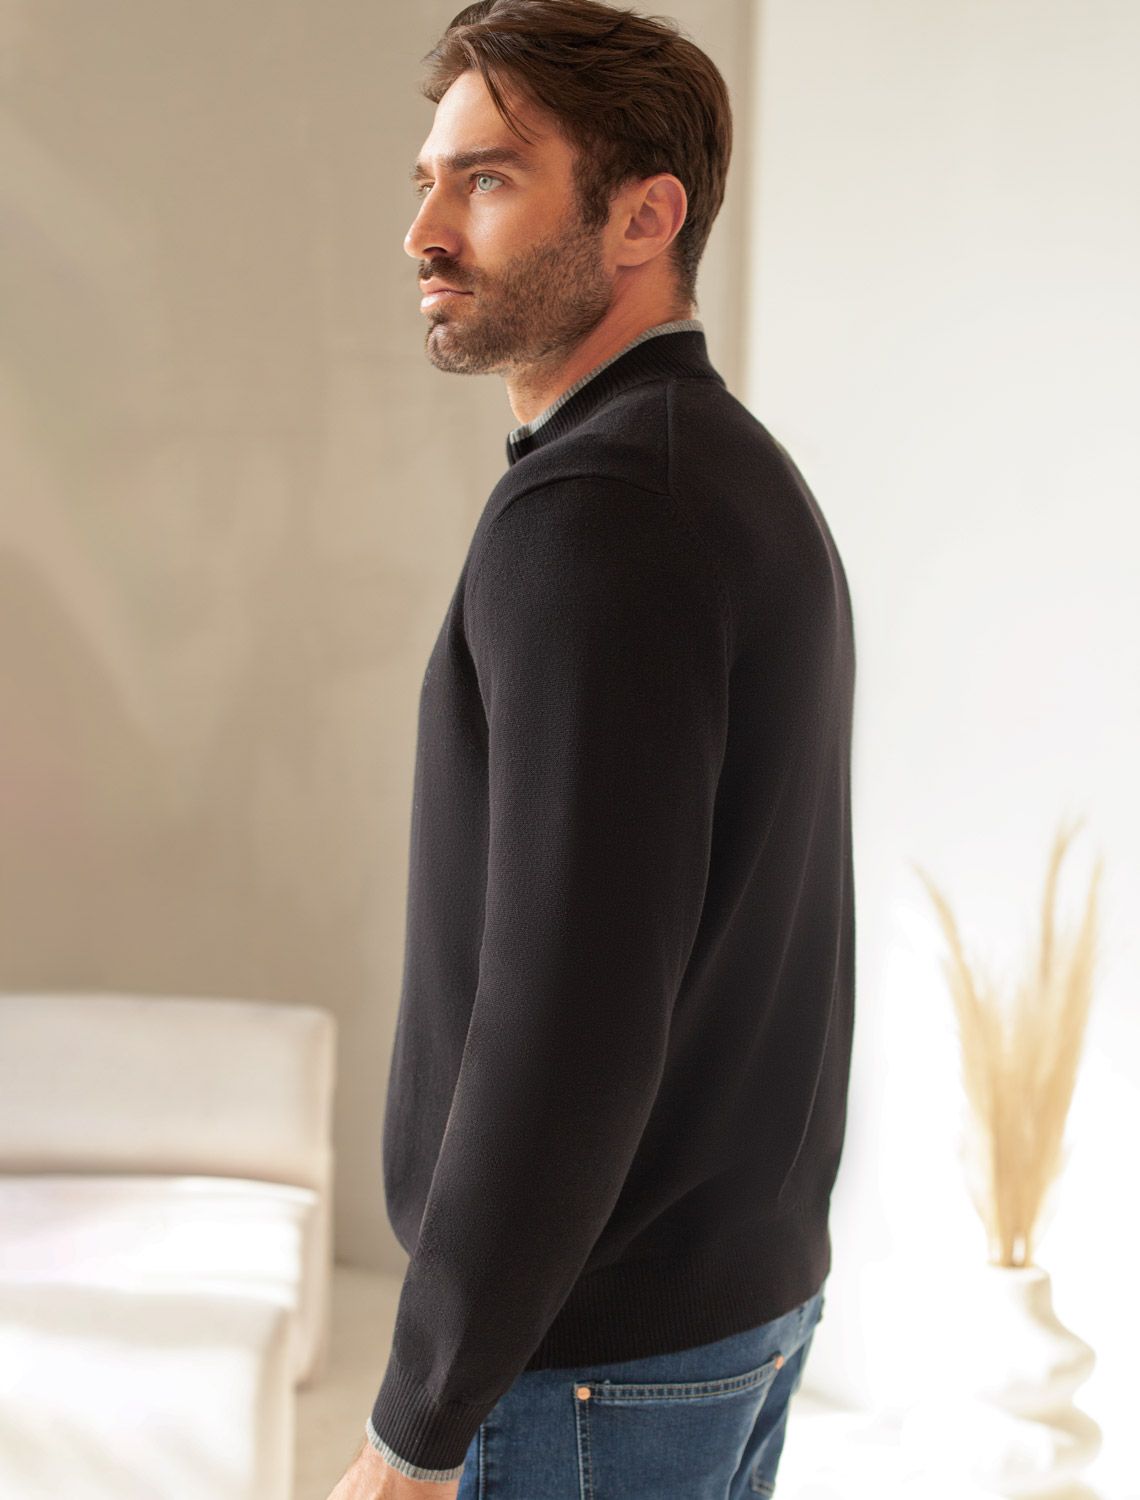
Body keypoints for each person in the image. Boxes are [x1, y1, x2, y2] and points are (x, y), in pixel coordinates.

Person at [325, 2, 856, 1496]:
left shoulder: (597, 516)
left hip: (588, 1366)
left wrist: (416, 1425)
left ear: (644, 217)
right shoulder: (727, 474)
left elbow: (568, 1016)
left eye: (488, 180)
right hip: (722, 1312)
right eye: (427, 181)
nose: (426, 231)